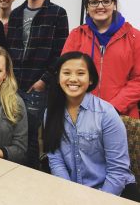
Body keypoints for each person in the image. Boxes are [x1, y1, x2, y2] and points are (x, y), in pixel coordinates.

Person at [43, 51, 140, 202]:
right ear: (57, 78)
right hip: (73, 190)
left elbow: (118, 171)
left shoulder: (106, 114)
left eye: (80, 73)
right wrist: (68, 193)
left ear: (91, 79)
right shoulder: (51, 112)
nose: (73, 79)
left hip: (114, 191)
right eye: (66, 73)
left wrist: (97, 201)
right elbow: (55, 159)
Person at [7, 0, 69, 169]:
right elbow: (11, 49)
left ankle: (30, 174)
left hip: (39, 85)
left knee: (33, 135)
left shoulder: (57, 13)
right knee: (15, 132)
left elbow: (61, 52)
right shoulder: (15, 14)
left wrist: (45, 80)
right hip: (16, 84)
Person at [62, 0, 140, 118]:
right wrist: (84, 103)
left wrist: (113, 107)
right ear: (87, 7)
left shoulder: (135, 37)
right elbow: (66, 75)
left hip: (121, 114)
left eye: (106, 1)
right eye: (94, 2)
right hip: (82, 112)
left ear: (114, 4)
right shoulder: (76, 35)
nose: (100, 6)